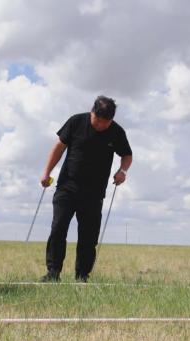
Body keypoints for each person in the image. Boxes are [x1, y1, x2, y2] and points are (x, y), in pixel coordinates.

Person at [39, 96, 133, 282]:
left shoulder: (116, 132)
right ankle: (53, 273)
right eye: (98, 121)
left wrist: (122, 171)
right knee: (58, 230)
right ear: (93, 113)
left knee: (88, 237)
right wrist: (46, 172)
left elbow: (127, 155)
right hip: (67, 188)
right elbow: (59, 148)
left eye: (107, 122)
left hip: (94, 193)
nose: (101, 126)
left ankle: (82, 276)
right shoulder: (76, 122)